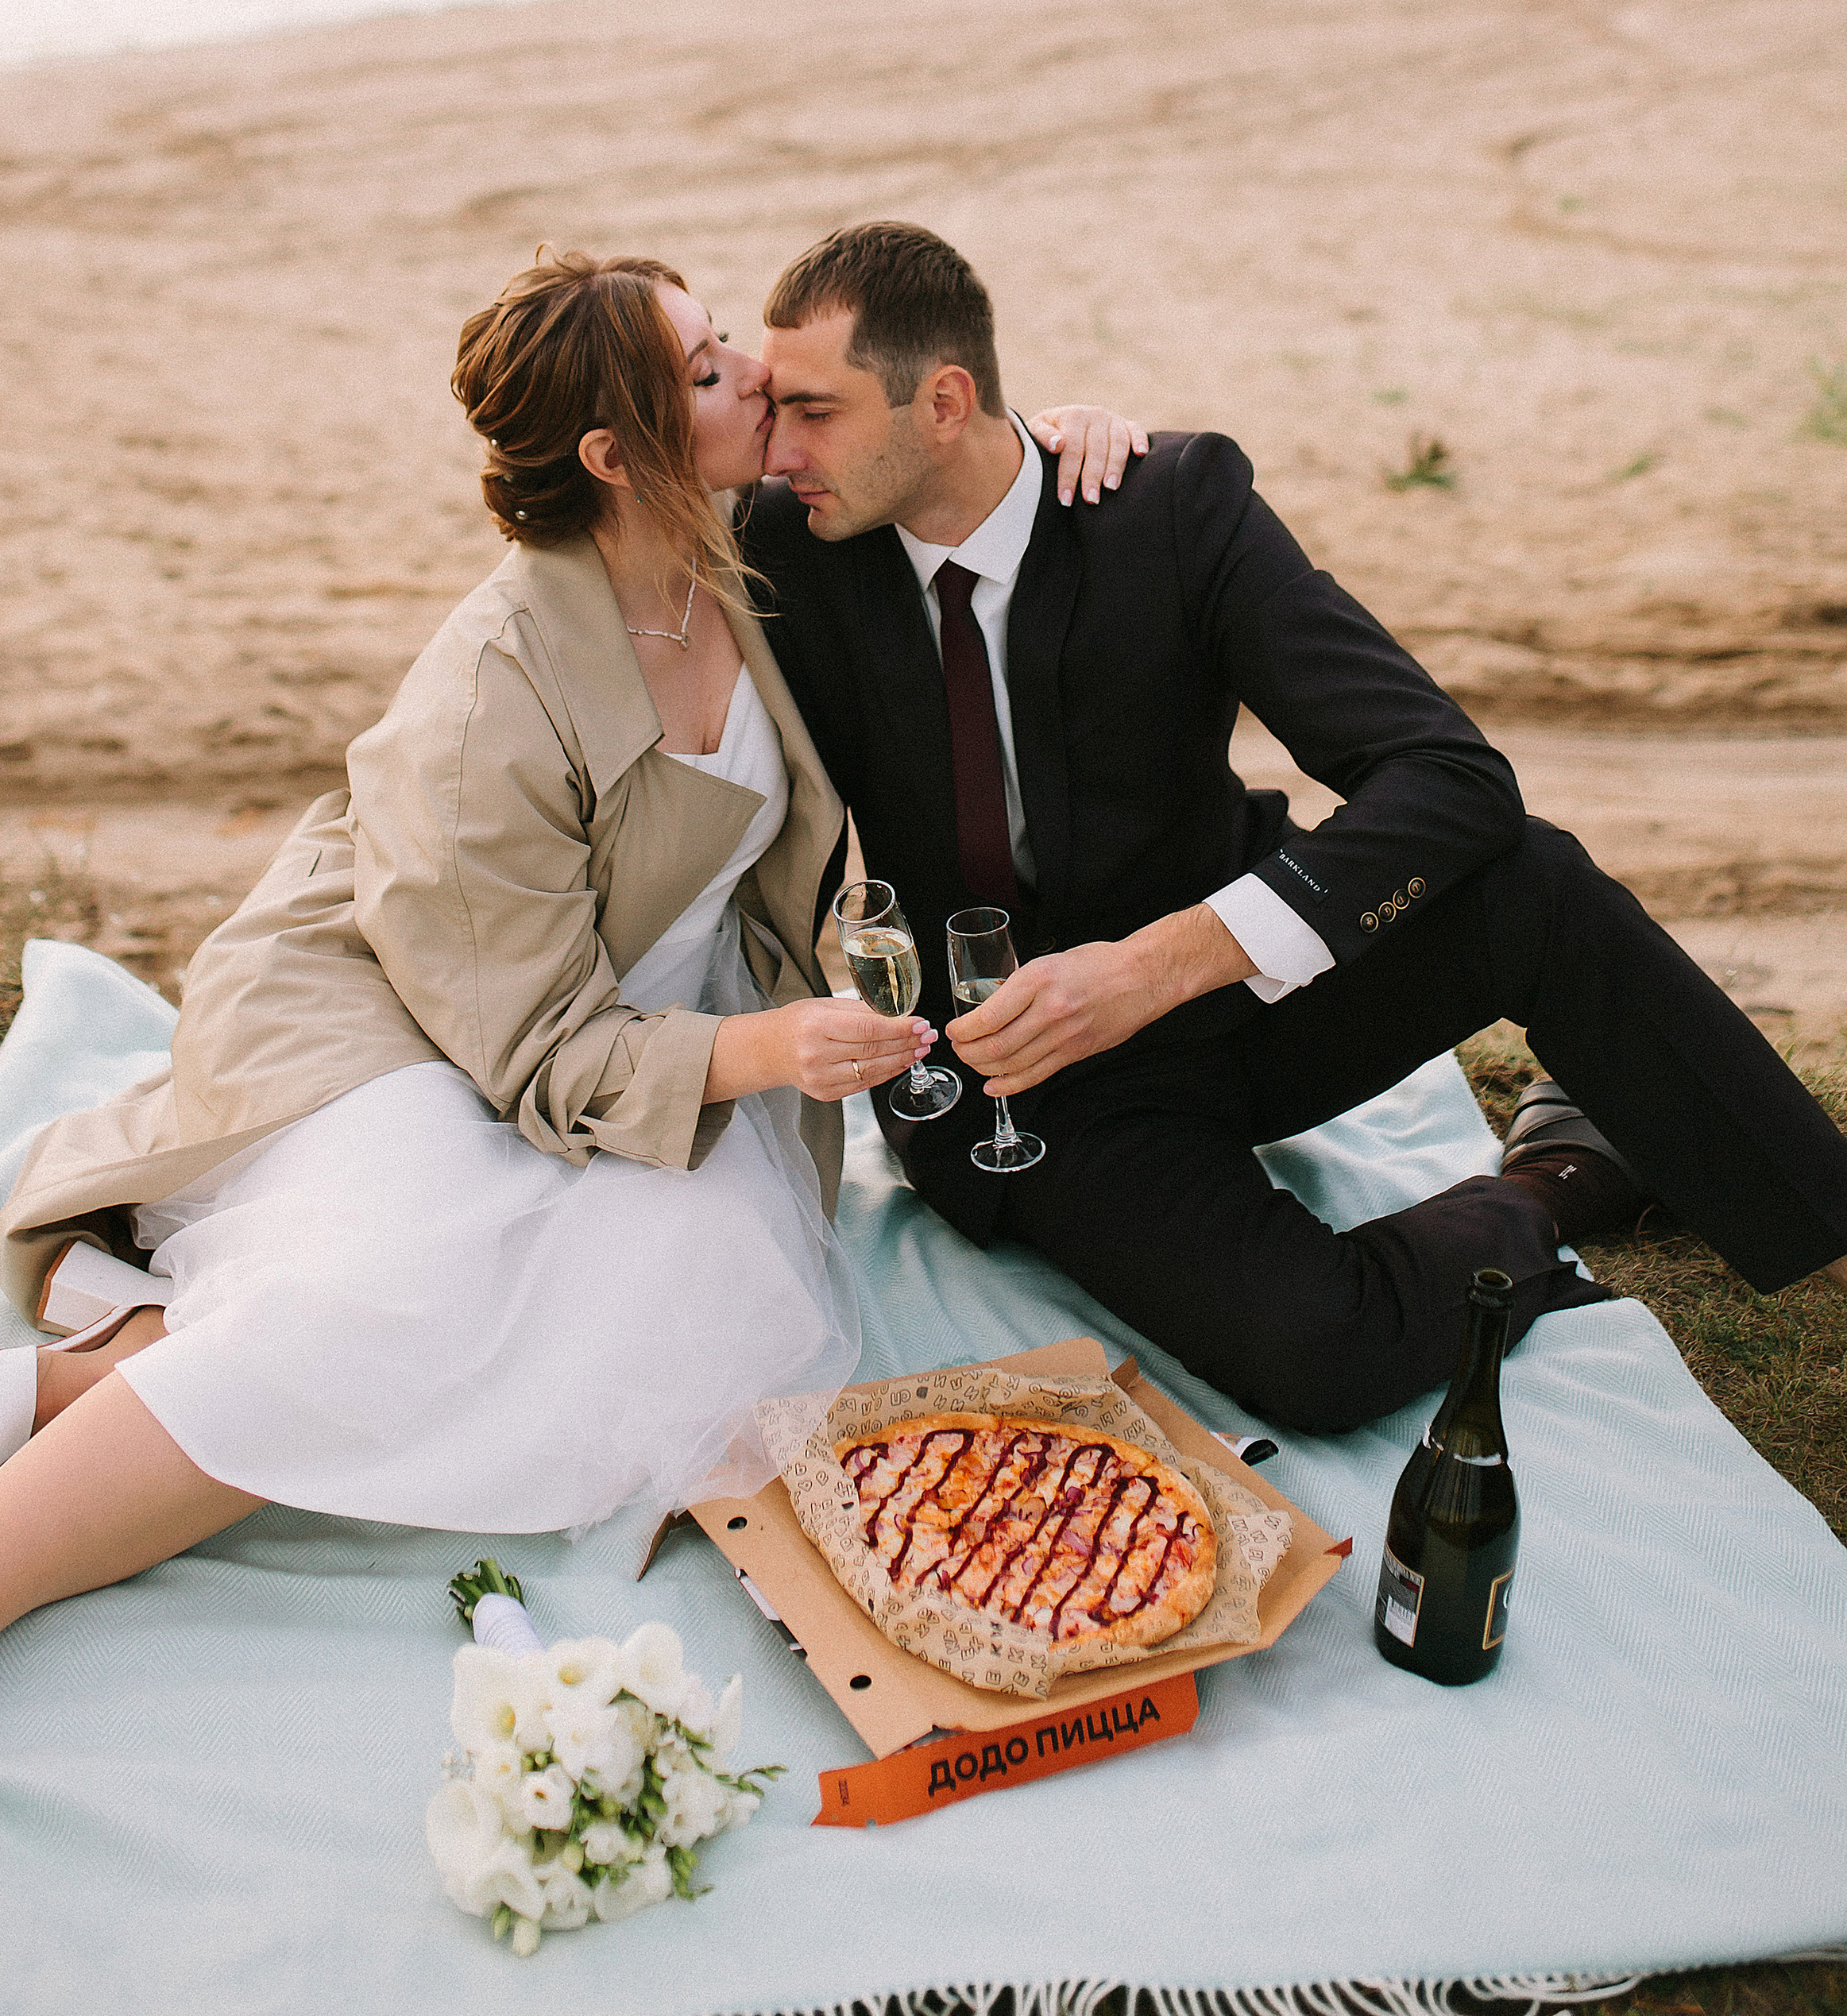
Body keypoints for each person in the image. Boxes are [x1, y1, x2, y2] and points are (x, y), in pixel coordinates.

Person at [0, 247, 1131, 1905]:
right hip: (411, 1007)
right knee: (398, 1295)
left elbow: (933, 463)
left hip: (640, 1012)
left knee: (686, 1344)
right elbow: (537, 1049)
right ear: (615, 452)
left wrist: (1055, 439)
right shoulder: (491, 689)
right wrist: (773, 1050)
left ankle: (103, 1382)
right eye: (712, 368)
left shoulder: (757, 546)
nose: (756, 391)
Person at [743, 220, 1847, 1439]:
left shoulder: (1167, 507)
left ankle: (1817, 1219)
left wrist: (1163, 962)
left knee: (1529, 877)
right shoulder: (784, 543)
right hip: (1030, 1080)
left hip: (1241, 982)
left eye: (814, 410)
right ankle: (1556, 1178)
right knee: (1316, 1355)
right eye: (770, 408)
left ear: (945, 402)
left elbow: (1448, 775)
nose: (779, 448)